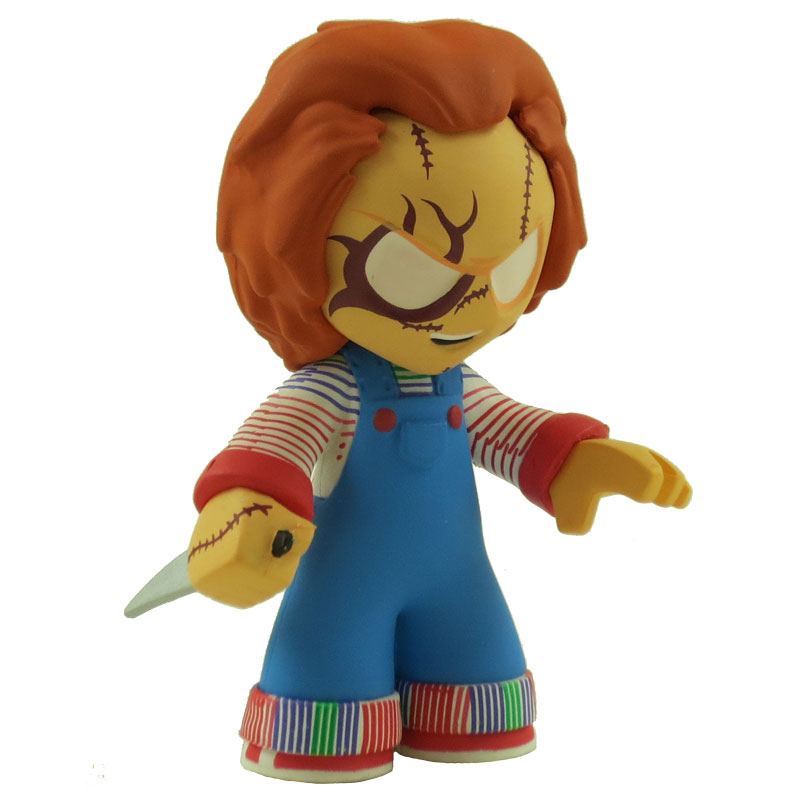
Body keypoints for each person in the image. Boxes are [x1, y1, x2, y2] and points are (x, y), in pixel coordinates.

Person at [185, 20, 691, 783]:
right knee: (325, 693)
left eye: (514, 264)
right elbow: (272, 447)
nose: (471, 304)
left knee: (484, 685)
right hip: (340, 591)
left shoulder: (458, 382)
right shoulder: (335, 387)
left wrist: (575, 460)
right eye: (410, 270)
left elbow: (506, 427)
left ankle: (460, 717)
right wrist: (242, 517)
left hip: (462, 584)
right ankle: (321, 730)